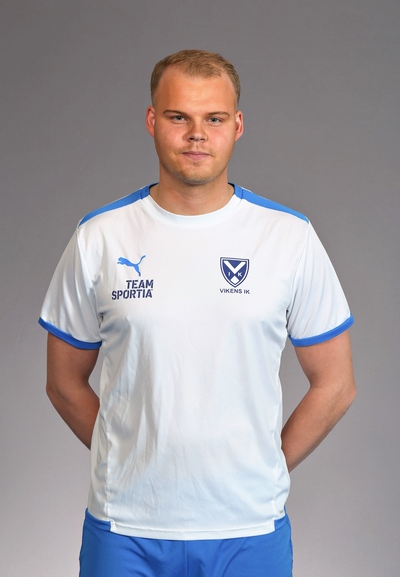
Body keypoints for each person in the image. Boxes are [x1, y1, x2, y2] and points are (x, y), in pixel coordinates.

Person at [39, 49, 356, 577]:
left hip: (248, 530)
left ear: (237, 126)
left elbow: (336, 384)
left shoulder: (288, 238)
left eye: (213, 119)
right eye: (178, 117)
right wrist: (127, 458)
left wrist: (264, 467)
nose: (196, 135)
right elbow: (63, 382)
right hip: (125, 530)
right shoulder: (100, 237)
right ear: (151, 121)